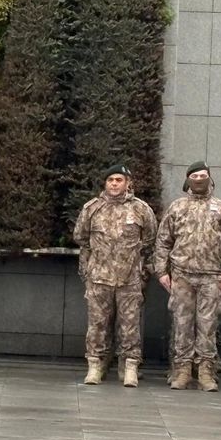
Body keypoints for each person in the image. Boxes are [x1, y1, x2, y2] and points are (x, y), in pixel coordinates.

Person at [154, 161, 221, 392]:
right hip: (182, 275)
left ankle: (206, 372)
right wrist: (161, 271)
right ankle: (182, 370)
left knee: (208, 325)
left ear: (210, 178)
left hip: (212, 276)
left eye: (203, 175)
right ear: (188, 179)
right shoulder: (177, 207)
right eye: (195, 176)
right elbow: (163, 241)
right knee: (182, 324)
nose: (199, 179)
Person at [73, 164, 157, 387]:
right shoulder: (93, 208)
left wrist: (142, 272)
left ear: (128, 183)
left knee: (130, 326)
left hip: (129, 279)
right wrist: (87, 271)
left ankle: (129, 367)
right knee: (97, 325)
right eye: (110, 180)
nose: (114, 184)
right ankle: (95, 365)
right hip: (99, 278)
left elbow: (150, 240)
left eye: (119, 180)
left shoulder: (140, 209)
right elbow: (81, 238)